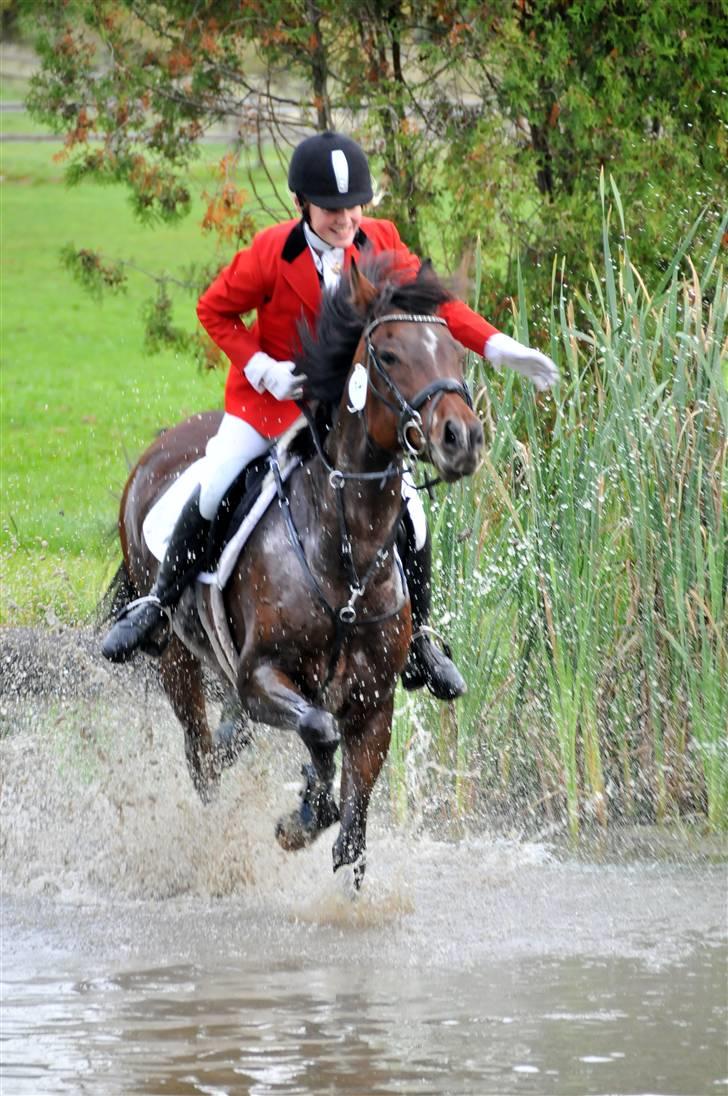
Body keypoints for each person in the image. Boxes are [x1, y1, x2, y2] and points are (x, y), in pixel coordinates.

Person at [102, 131, 558, 698]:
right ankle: (157, 602)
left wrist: (496, 347)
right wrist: (260, 365)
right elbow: (212, 310)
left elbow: (434, 306)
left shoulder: (381, 239)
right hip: (271, 406)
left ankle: (419, 641)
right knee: (218, 480)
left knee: (412, 511)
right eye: (332, 210)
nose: (346, 221)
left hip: (348, 414)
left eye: (354, 207)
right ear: (303, 206)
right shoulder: (271, 252)